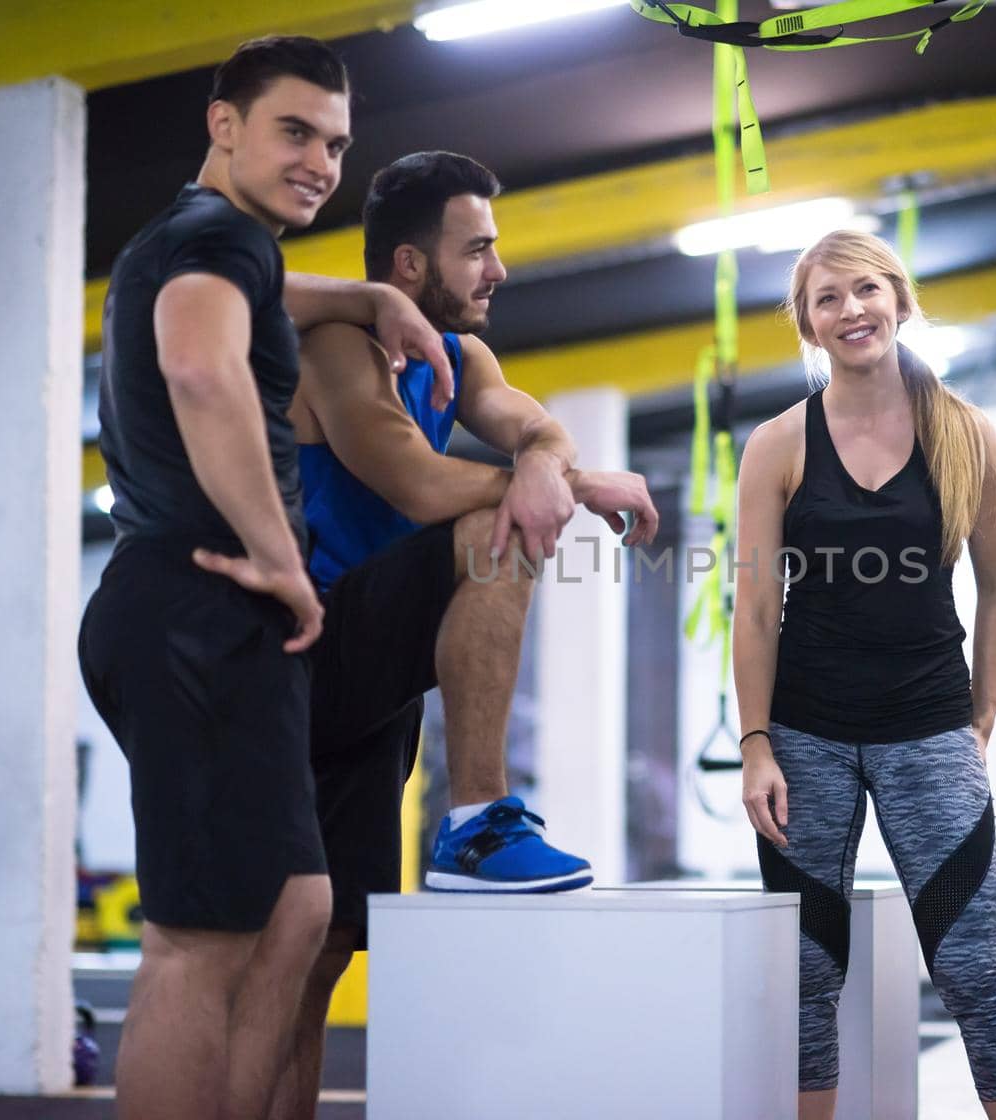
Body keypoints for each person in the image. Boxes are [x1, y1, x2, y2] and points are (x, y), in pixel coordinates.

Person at [78, 37, 451, 1120]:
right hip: (196, 598)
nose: (321, 162)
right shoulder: (219, 239)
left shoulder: (206, 243)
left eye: (335, 142)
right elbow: (199, 365)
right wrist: (283, 559)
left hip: (194, 610)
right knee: (202, 939)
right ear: (223, 125)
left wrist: (368, 300)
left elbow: (246, 297)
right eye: (295, 132)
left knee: (295, 908)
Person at [267, 150, 660, 1120]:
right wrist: (557, 487)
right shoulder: (336, 351)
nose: (499, 269)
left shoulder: (465, 357)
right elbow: (416, 484)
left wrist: (553, 461)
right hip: (303, 661)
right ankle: (477, 819)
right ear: (409, 266)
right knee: (496, 530)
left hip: (374, 692)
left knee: (319, 959)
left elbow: (537, 426)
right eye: (476, 249)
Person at [732, 230, 996, 1120]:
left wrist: (980, 721)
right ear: (808, 324)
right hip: (806, 734)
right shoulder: (779, 443)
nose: (850, 310)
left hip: (929, 725)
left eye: (865, 289)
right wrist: (756, 743)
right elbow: (755, 610)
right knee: (806, 970)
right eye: (826, 299)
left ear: (900, 300)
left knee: (973, 967)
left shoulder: (965, 433)